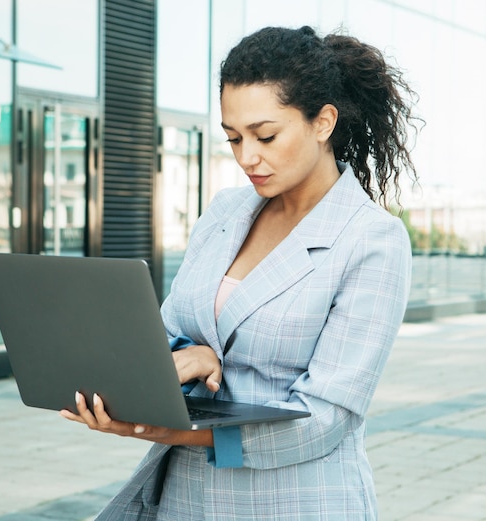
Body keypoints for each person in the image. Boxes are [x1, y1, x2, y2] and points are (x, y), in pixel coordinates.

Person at [61, 25, 419, 520]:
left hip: (296, 501)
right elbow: (167, 333)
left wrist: (164, 429)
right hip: (184, 497)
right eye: (233, 138)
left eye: (266, 135)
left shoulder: (371, 239)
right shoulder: (225, 212)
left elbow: (325, 420)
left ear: (323, 122)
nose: (247, 157)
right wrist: (187, 357)